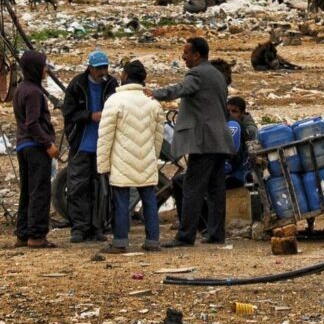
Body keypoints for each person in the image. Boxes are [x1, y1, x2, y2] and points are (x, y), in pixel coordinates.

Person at [152, 36, 234, 247]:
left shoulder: (196, 74)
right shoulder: (217, 75)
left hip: (204, 142)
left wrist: (154, 94)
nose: (183, 57)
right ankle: (216, 234)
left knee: (192, 188)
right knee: (216, 190)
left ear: (197, 55)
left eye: (186, 53)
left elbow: (180, 89)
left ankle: (185, 236)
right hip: (220, 141)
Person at [96, 60, 164, 254]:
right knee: (149, 200)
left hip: (122, 161)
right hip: (147, 159)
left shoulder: (114, 101)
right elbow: (158, 137)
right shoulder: (153, 103)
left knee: (121, 202)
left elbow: (105, 137)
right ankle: (153, 240)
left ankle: (120, 241)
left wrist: (103, 165)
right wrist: (153, 157)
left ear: (124, 76)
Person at [62, 50, 118, 244]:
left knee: (100, 189)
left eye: (105, 68)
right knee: (78, 187)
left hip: (103, 146)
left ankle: (97, 228)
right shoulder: (77, 85)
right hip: (82, 145)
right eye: (99, 68)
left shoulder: (111, 84)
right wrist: (90, 116)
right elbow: (69, 113)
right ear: (90, 68)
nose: (102, 72)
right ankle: (79, 228)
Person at [13, 50, 59, 249]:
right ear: (35, 68)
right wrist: (48, 144)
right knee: (40, 191)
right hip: (35, 147)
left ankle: (23, 234)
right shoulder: (33, 92)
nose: (46, 70)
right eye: (43, 66)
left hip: (23, 146)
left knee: (27, 191)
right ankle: (36, 235)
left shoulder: (21, 89)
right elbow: (32, 123)